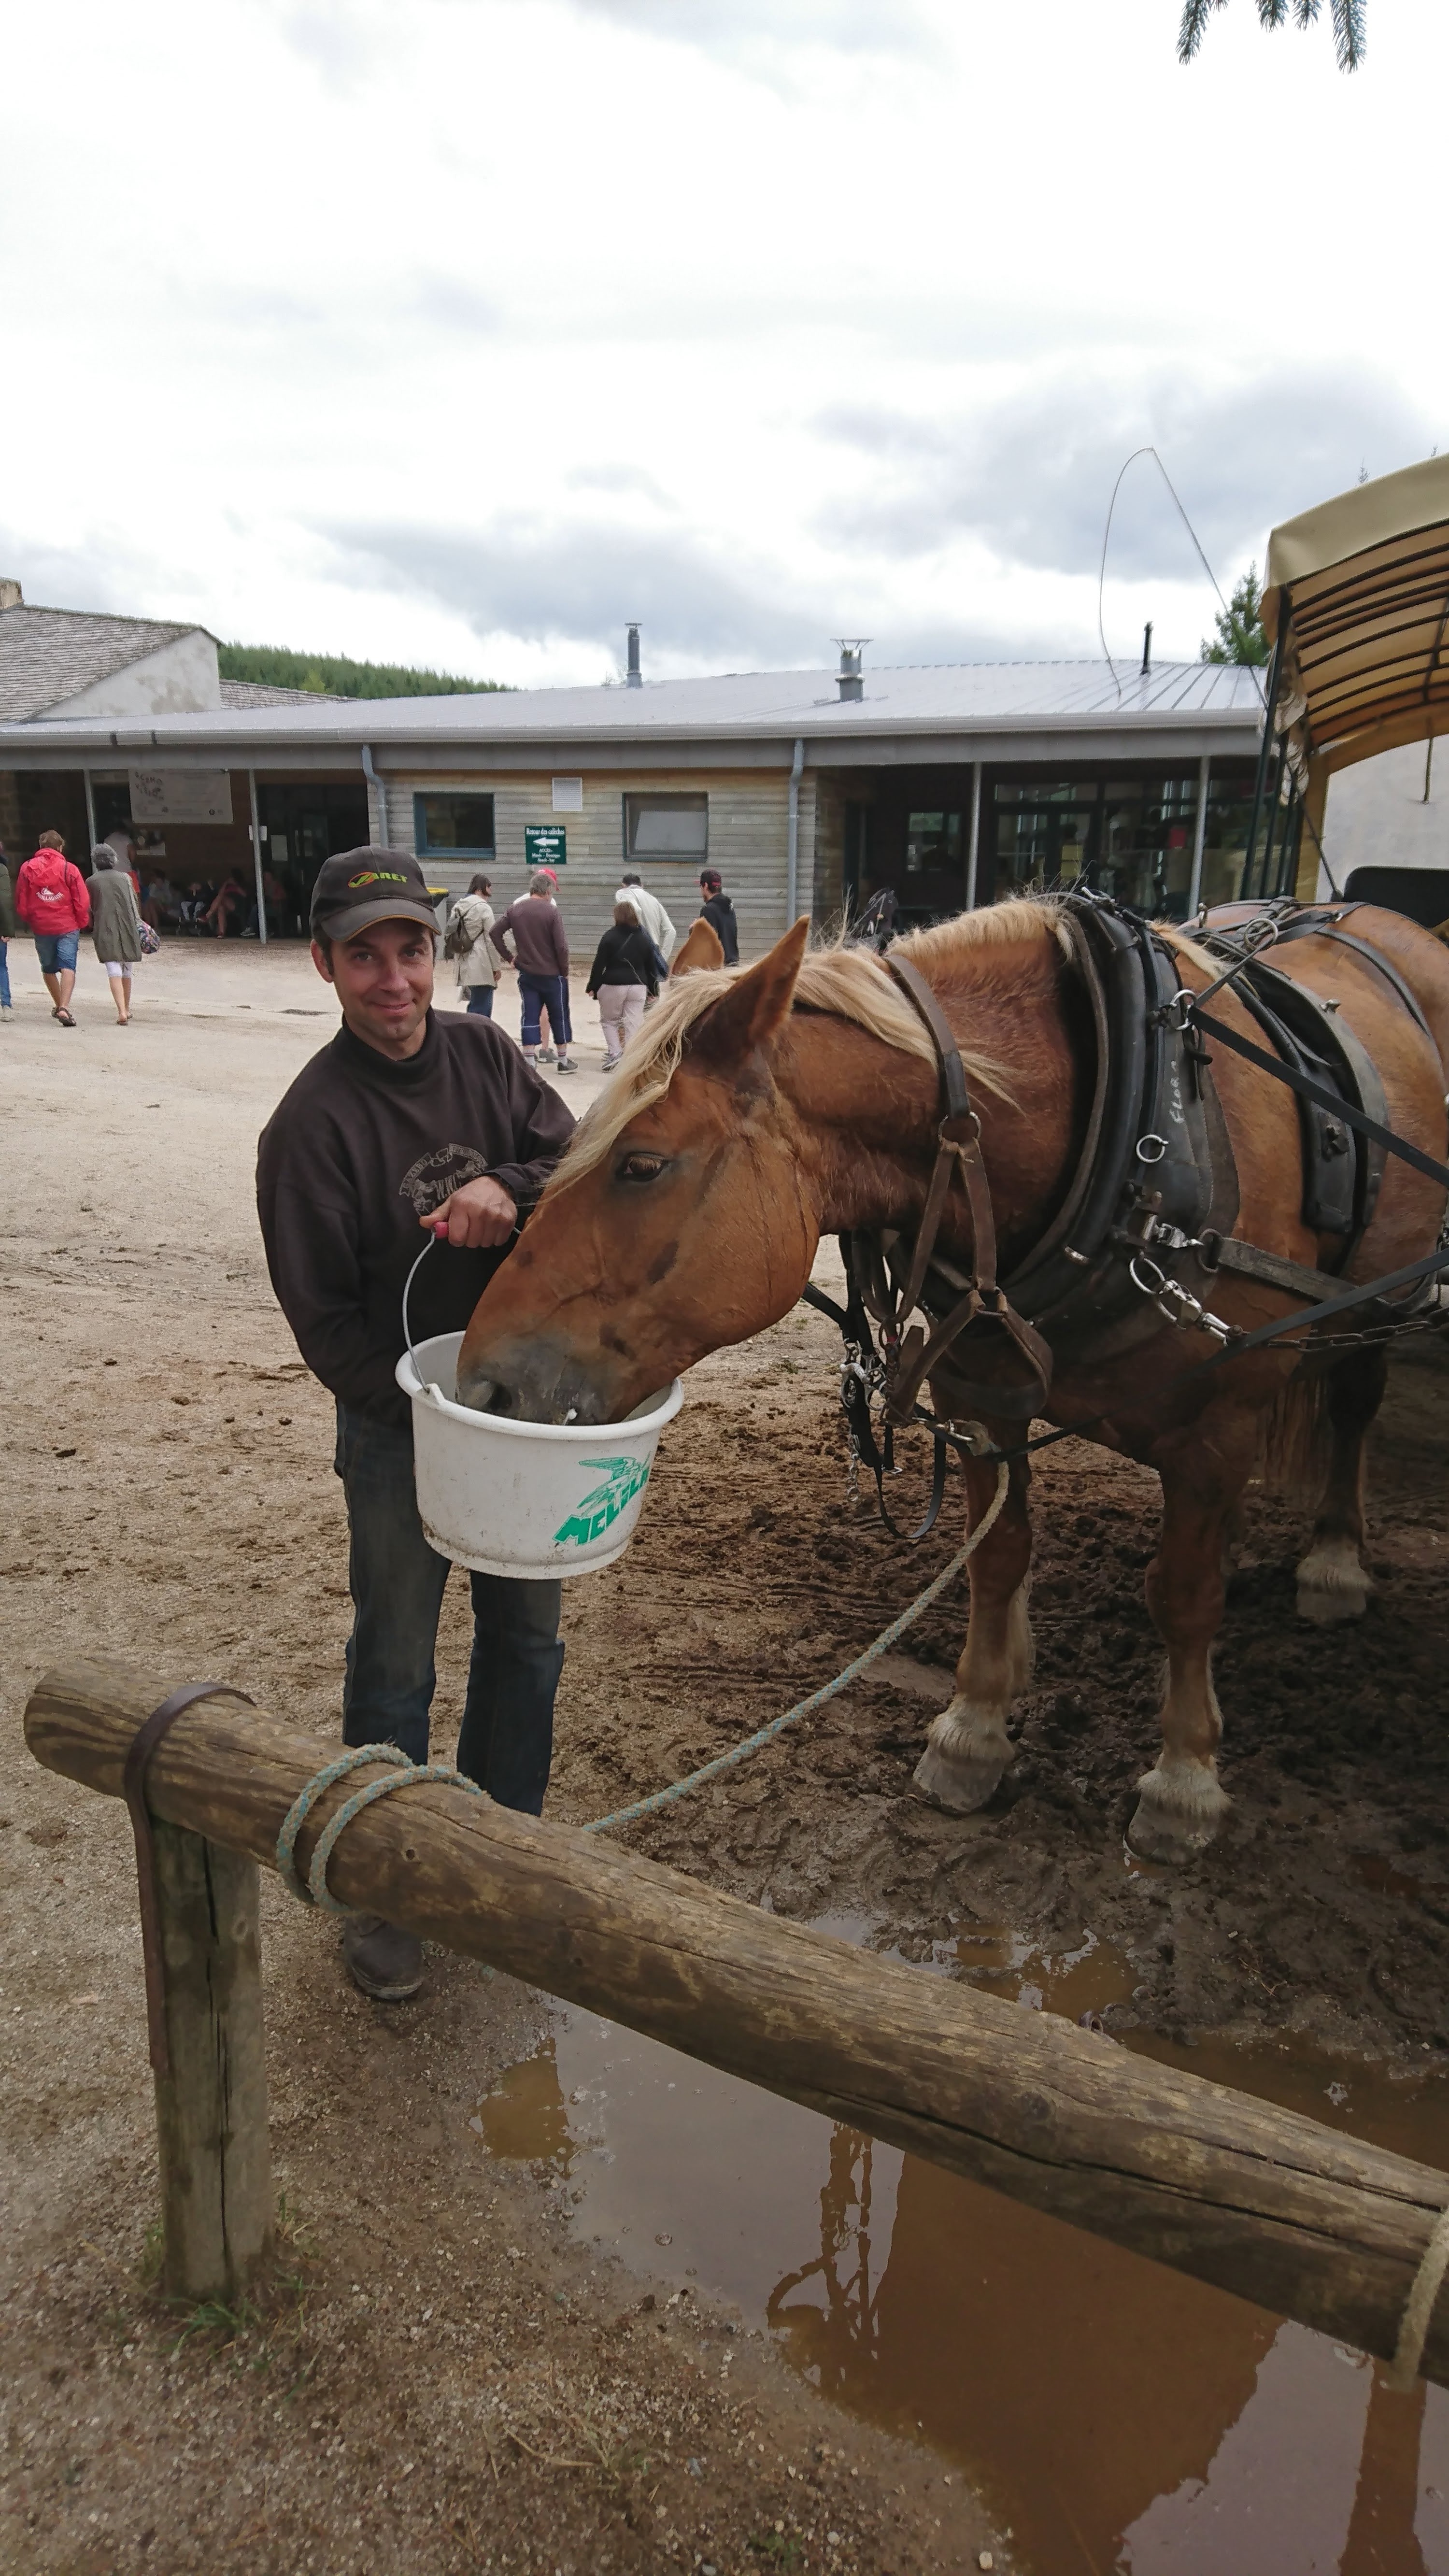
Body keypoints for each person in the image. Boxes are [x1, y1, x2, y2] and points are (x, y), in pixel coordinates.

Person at [256, 846, 577, 2003]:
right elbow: (328, 1325)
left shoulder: (488, 1053)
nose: (392, 979)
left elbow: (576, 1154)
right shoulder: (310, 1127)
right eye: (363, 955)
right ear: (325, 965)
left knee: (526, 1639)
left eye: (409, 950)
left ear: (435, 954)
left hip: (519, 1412)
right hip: (400, 1428)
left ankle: (498, 1853)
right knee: (395, 1658)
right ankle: (389, 1879)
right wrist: (421, 1406)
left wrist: (506, 1181)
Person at [490, 869, 578, 1072]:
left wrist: (510, 958)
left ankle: (529, 1059)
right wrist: (564, 970)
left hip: (527, 973)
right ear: (548, 891)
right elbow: (562, 946)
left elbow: (495, 932)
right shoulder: (552, 911)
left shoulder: (516, 909)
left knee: (529, 1013)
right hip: (552, 974)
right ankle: (564, 1061)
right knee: (559, 1014)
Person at [14, 829, 90, 1025]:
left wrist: (29, 918)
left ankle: (60, 1006)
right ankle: (64, 1007)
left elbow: (21, 899)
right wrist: (82, 922)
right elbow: (82, 900)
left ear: (40, 846)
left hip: (41, 926)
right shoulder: (70, 869)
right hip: (67, 925)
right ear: (60, 847)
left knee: (48, 968)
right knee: (68, 966)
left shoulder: (26, 869)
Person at [586, 900, 659, 1069]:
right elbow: (651, 967)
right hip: (639, 986)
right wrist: (653, 990)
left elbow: (599, 964)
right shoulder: (644, 938)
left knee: (610, 1021)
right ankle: (632, 1059)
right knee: (633, 1023)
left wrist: (593, 986)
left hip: (613, 984)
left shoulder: (610, 937)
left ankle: (615, 1054)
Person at [87, 845, 144, 1024]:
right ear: (114, 859)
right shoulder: (126, 878)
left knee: (113, 968)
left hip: (104, 926)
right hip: (128, 925)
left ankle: (120, 1010)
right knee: (127, 968)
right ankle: (127, 1009)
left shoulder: (91, 882)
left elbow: (88, 908)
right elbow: (135, 903)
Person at [451, 872, 498, 1017]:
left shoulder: (458, 907)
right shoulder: (484, 908)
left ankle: (471, 1035)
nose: (490, 891)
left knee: (474, 1005)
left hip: (463, 959)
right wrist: (496, 967)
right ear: (479, 889)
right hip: (481, 962)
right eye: (488, 887)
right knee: (482, 1008)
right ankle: (477, 1038)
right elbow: (491, 939)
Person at [614, 870, 675, 980]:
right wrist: (663, 957)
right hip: (654, 951)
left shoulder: (623, 893)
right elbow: (671, 931)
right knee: (652, 994)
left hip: (636, 952)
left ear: (623, 886)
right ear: (642, 886)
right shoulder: (654, 900)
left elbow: (636, 910)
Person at [698, 867, 739, 965]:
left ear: (706, 886)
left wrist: (694, 930)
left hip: (718, 971)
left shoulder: (708, 910)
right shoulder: (730, 907)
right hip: (733, 967)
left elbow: (707, 945)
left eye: (701, 886)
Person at [205, 872, 247, 938]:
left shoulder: (240, 887)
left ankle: (208, 915)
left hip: (237, 904)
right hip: (226, 905)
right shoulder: (226, 887)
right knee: (221, 907)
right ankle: (221, 933)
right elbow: (220, 894)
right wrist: (226, 884)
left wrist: (236, 886)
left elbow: (245, 896)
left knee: (222, 898)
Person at [0, 839, 14, 1020]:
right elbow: (4, 901)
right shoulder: (2, 870)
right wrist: (7, 930)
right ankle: (5, 1004)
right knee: (1, 966)